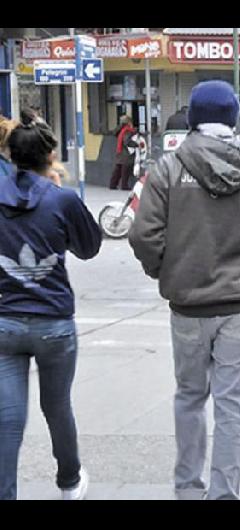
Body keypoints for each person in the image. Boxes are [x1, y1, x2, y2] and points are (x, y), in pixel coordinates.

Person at [128, 80, 240, 500]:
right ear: (234, 117)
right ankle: (223, 493)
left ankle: (187, 488)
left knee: (189, 396)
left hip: (187, 306)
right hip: (239, 304)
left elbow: (144, 235)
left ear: (193, 118)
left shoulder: (167, 166)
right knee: (232, 404)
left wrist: (164, 270)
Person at [0, 117, 102, 500]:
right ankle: (69, 482)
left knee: (8, 420)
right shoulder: (62, 199)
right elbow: (89, 247)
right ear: (51, 156)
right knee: (57, 406)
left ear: (10, 156)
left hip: (6, 320)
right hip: (54, 321)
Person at [109, 116, 137, 190]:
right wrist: (136, 144)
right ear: (129, 122)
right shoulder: (127, 130)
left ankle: (113, 184)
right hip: (125, 153)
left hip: (119, 151)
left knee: (118, 169)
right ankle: (124, 186)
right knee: (125, 170)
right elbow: (126, 141)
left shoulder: (120, 129)